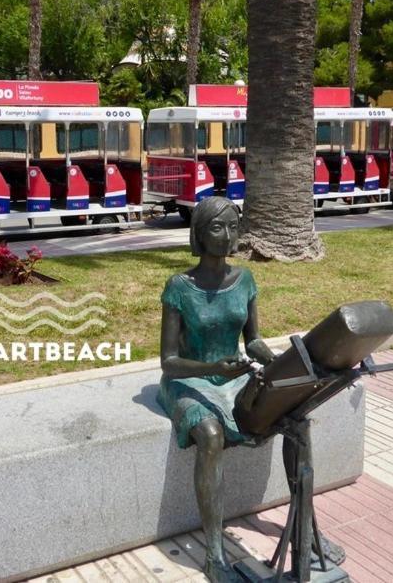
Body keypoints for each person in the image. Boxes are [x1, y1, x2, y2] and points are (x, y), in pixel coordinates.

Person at [157, 196, 275, 583]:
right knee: (210, 434)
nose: (227, 236)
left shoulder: (246, 280)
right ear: (199, 234)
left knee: (294, 412)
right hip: (187, 379)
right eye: (217, 227)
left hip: (233, 375)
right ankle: (214, 552)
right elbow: (168, 361)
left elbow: (253, 341)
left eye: (233, 227)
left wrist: (276, 360)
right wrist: (211, 368)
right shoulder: (179, 287)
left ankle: (306, 530)